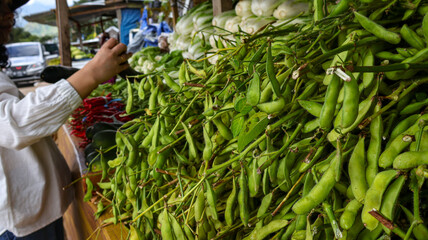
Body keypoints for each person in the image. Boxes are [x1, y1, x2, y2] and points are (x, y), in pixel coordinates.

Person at [0, 0, 132, 239]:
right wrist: (90, 74)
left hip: (32, 214)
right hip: (20, 224)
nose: (10, 14)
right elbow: (10, 124)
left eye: (11, 7)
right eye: (1, 5)